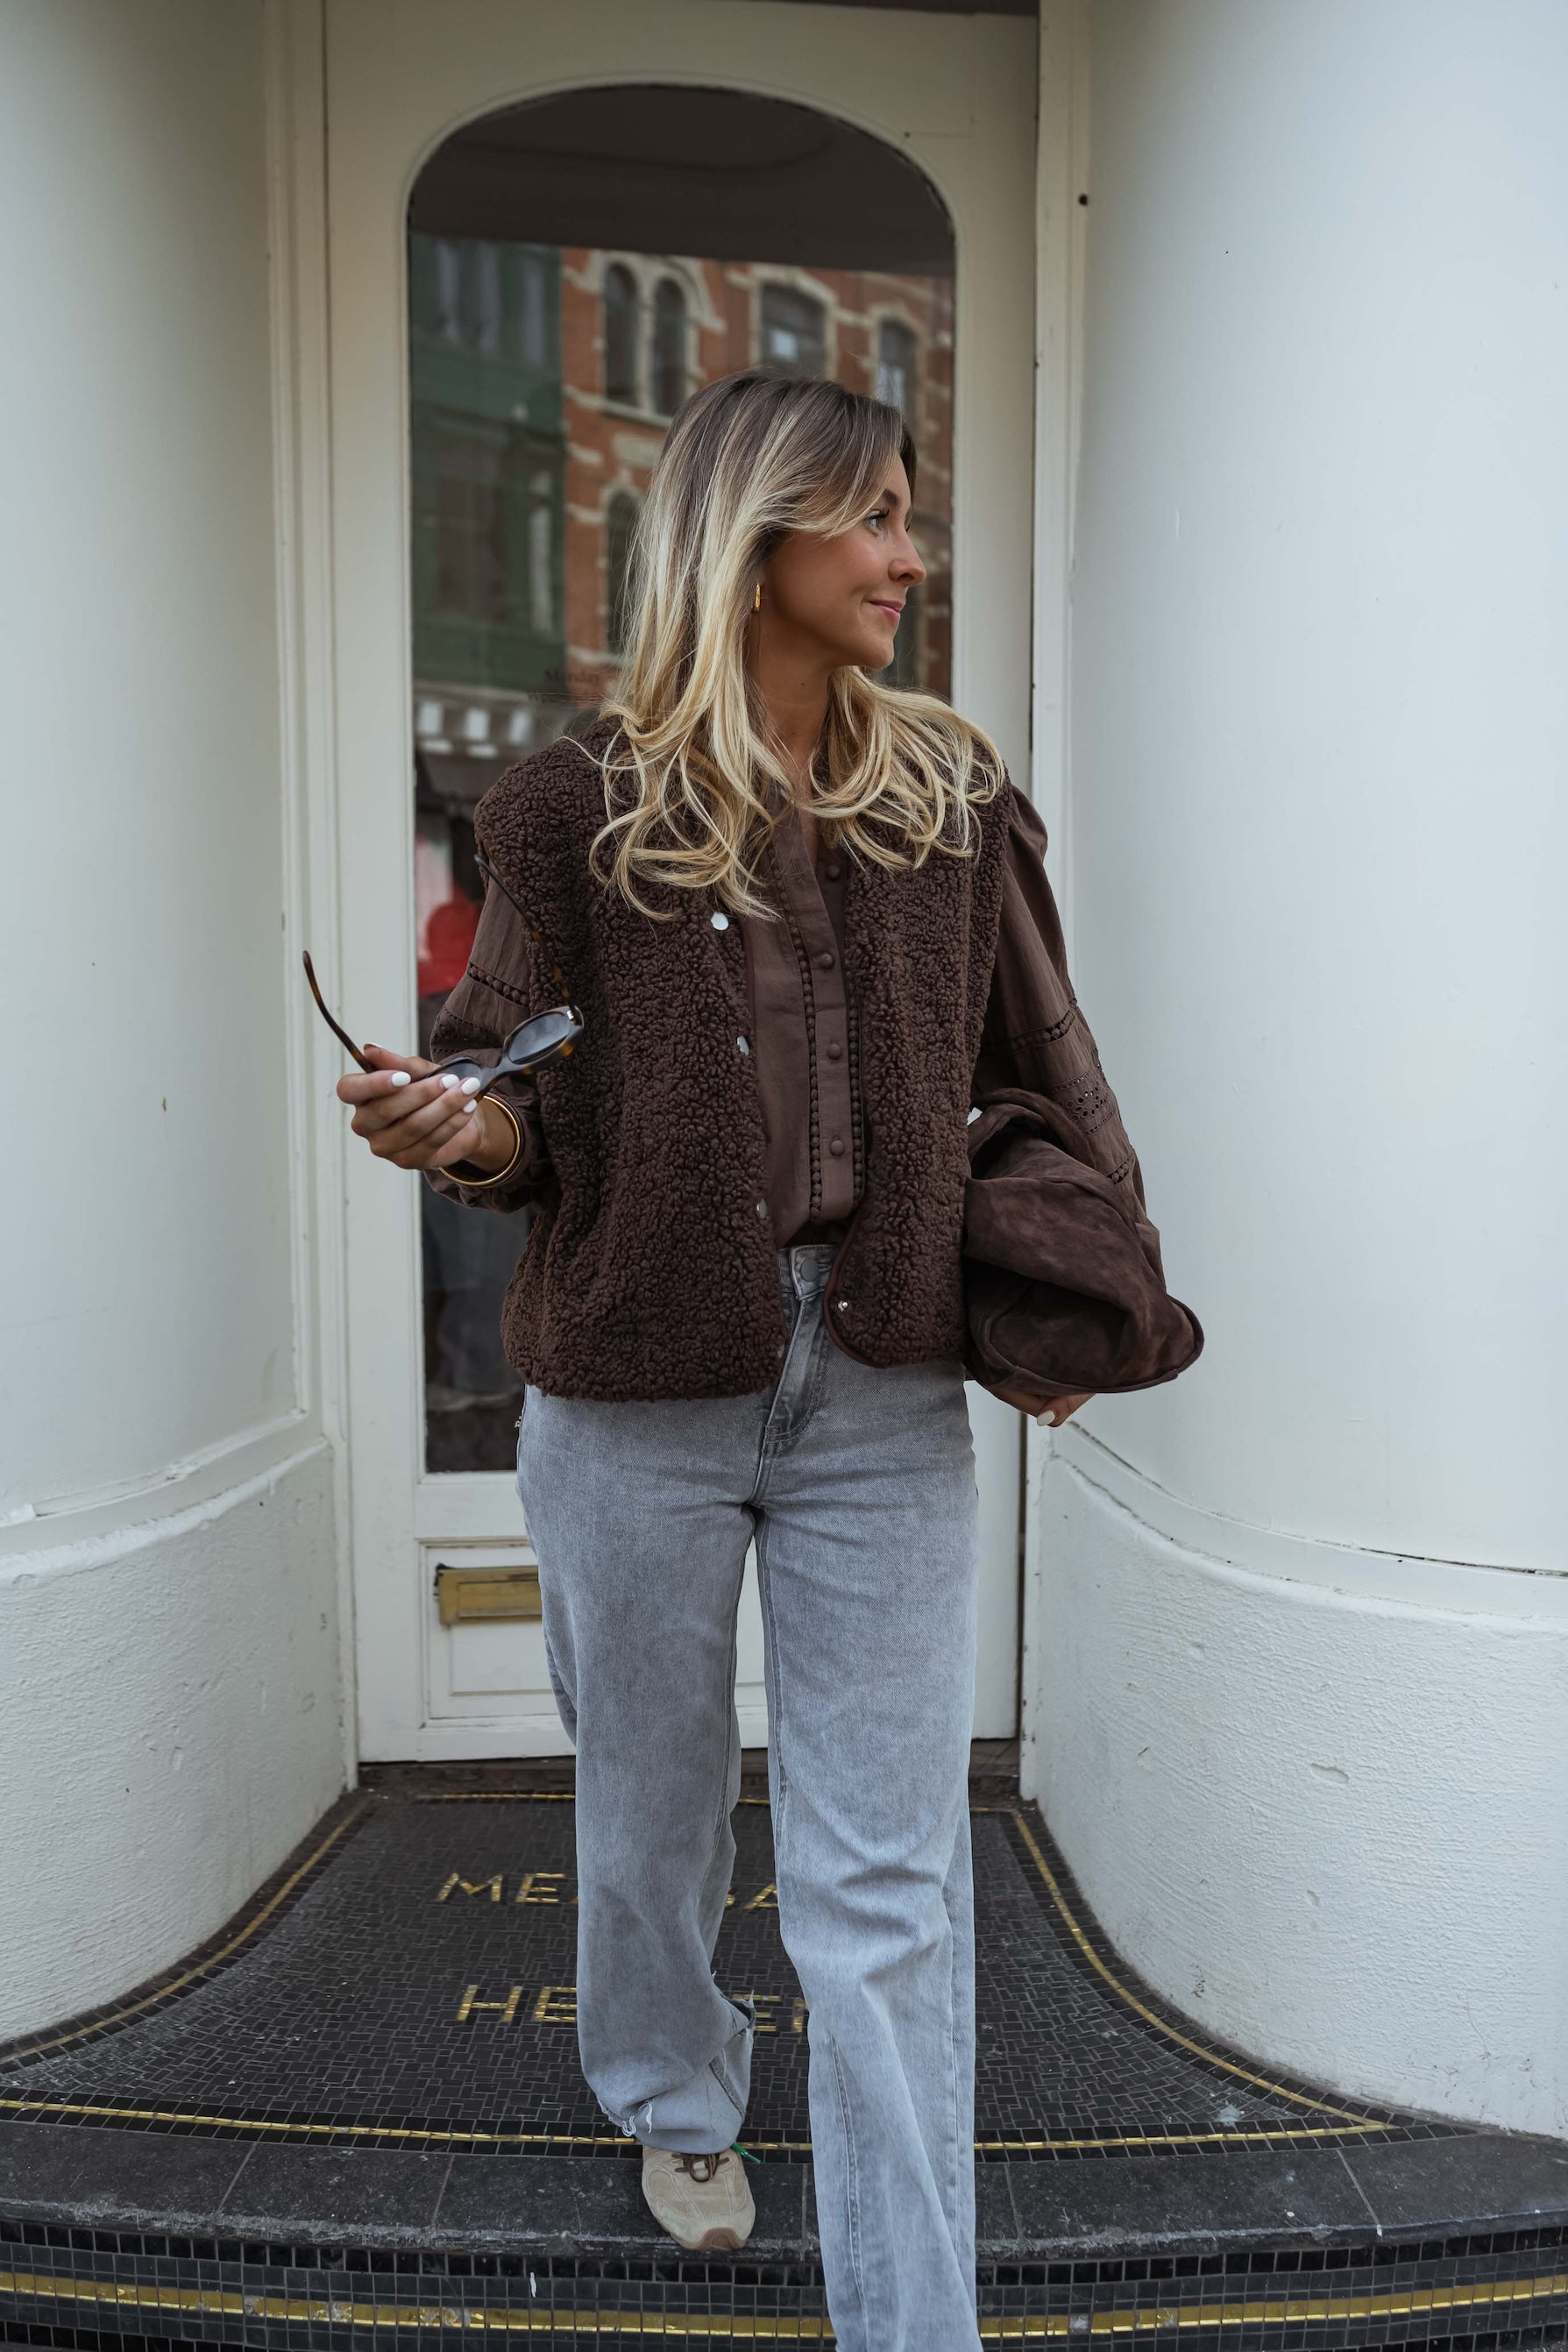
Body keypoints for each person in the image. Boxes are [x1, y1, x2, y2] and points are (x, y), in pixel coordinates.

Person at [337, 370, 1153, 2352]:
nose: (909, 555)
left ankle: (912, 2326)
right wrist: (460, 1131)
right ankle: (674, 2097)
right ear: (755, 533)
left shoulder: (947, 795)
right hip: (633, 1391)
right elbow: (518, 1103)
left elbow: (1051, 1074)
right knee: (653, 1808)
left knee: (884, 1895)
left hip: (876, 1391)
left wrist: (1080, 1309)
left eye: (910, 515)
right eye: (872, 516)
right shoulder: (570, 804)